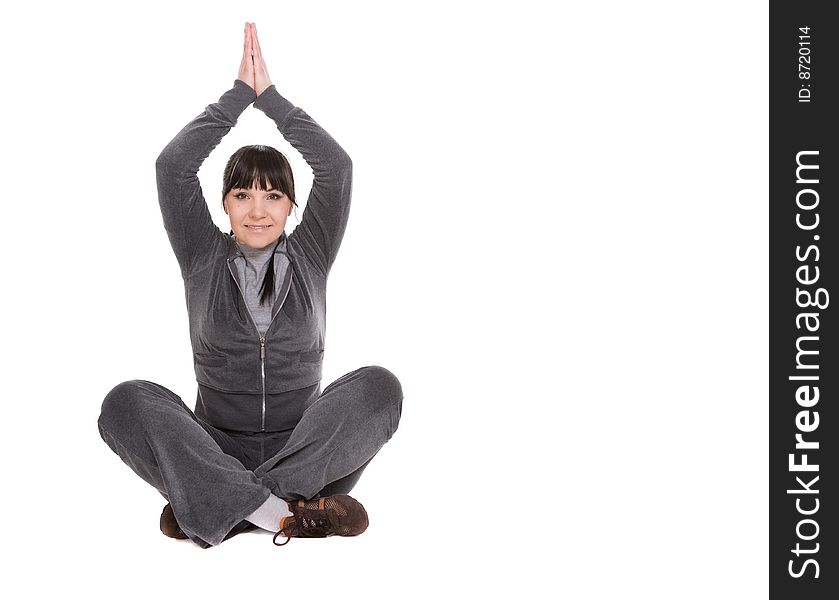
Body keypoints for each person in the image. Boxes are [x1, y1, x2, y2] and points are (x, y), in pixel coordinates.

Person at [97, 22, 403, 549]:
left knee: (380, 387)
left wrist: (272, 100)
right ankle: (284, 513)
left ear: (292, 205)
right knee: (124, 403)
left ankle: (227, 506)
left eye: (273, 197)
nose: (258, 211)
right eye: (242, 195)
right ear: (224, 204)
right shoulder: (201, 252)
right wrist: (237, 97)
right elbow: (173, 167)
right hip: (213, 448)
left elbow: (337, 167)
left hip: (307, 454)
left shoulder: (311, 251)